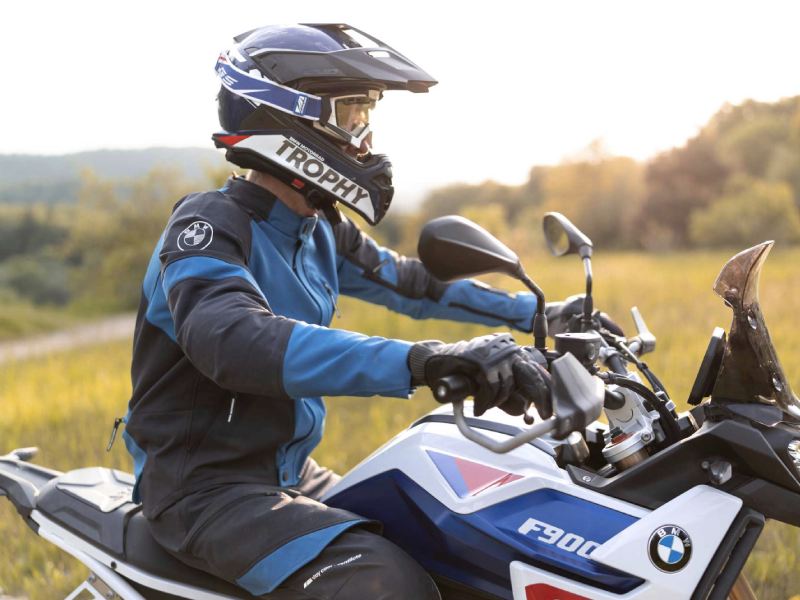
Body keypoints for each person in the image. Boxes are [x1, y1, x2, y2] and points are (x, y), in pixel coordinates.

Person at [122, 24, 619, 600]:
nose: (362, 138)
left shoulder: (317, 226)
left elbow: (411, 284)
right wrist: (428, 361)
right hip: (202, 491)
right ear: (290, 116)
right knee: (386, 583)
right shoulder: (208, 226)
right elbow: (233, 341)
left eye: (365, 115)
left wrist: (537, 313)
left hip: (287, 476)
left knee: (460, 540)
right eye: (349, 115)